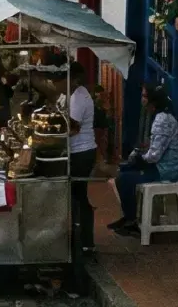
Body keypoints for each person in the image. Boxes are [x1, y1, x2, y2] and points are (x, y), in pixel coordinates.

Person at [112, 86, 178, 236]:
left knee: (124, 179)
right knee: (124, 172)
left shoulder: (162, 120)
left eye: (145, 96)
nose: (142, 99)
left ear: (153, 101)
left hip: (165, 171)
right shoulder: (161, 117)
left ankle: (132, 220)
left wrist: (139, 159)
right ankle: (129, 217)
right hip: (161, 166)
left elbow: (154, 156)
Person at [65, 68, 96, 253]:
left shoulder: (78, 97)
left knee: (78, 195)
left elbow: (74, 127)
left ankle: (84, 240)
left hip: (81, 151)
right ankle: (82, 238)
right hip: (83, 150)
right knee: (78, 194)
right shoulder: (79, 95)